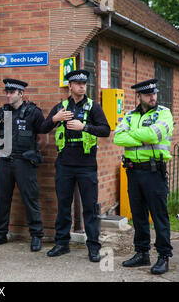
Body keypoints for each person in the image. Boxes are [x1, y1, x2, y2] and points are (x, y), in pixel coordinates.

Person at [40, 69, 110, 262]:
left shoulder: (93, 106)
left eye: (84, 83)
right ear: (70, 86)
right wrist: (55, 119)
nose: (82, 86)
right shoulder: (61, 107)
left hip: (87, 165)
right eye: (78, 83)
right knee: (63, 206)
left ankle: (93, 247)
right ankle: (62, 243)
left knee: (90, 207)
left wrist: (84, 127)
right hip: (64, 164)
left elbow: (105, 130)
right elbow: (42, 128)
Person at [113, 78, 173, 275]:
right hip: (133, 170)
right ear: (138, 96)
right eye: (148, 94)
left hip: (154, 171)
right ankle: (142, 253)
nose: (153, 97)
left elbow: (155, 135)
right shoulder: (129, 115)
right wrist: (143, 134)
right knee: (138, 215)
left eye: (154, 93)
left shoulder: (163, 113)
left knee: (159, 216)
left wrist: (135, 135)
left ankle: (164, 256)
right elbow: (118, 137)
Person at [0, 78, 45, 252]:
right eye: (6, 92)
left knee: (30, 199)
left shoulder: (33, 112)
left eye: (11, 92)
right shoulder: (2, 112)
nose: (8, 95)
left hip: (24, 162)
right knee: (2, 199)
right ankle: (0, 234)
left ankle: (36, 235)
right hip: (4, 162)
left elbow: (42, 133)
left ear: (21, 93)